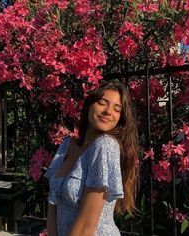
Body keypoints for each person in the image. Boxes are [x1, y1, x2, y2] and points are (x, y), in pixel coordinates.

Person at [44, 81, 138, 236]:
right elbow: (53, 202)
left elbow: (87, 227)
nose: (108, 111)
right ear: (89, 106)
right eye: (102, 103)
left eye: (117, 109)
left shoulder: (105, 145)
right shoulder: (67, 145)